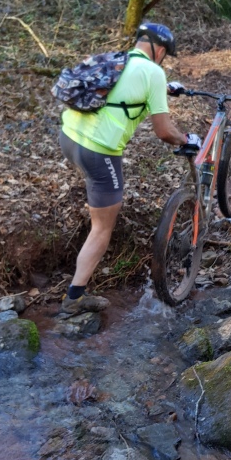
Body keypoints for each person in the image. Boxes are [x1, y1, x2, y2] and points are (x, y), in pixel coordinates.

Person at [59, 21, 202, 316]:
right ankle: (75, 297)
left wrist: (164, 89)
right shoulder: (153, 72)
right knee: (102, 228)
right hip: (98, 150)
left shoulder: (118, 61)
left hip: (69, 138)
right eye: (165, 55)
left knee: (99, 201)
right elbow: (164, 131)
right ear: (160, 50)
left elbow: (125, 89)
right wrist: (186, 139)